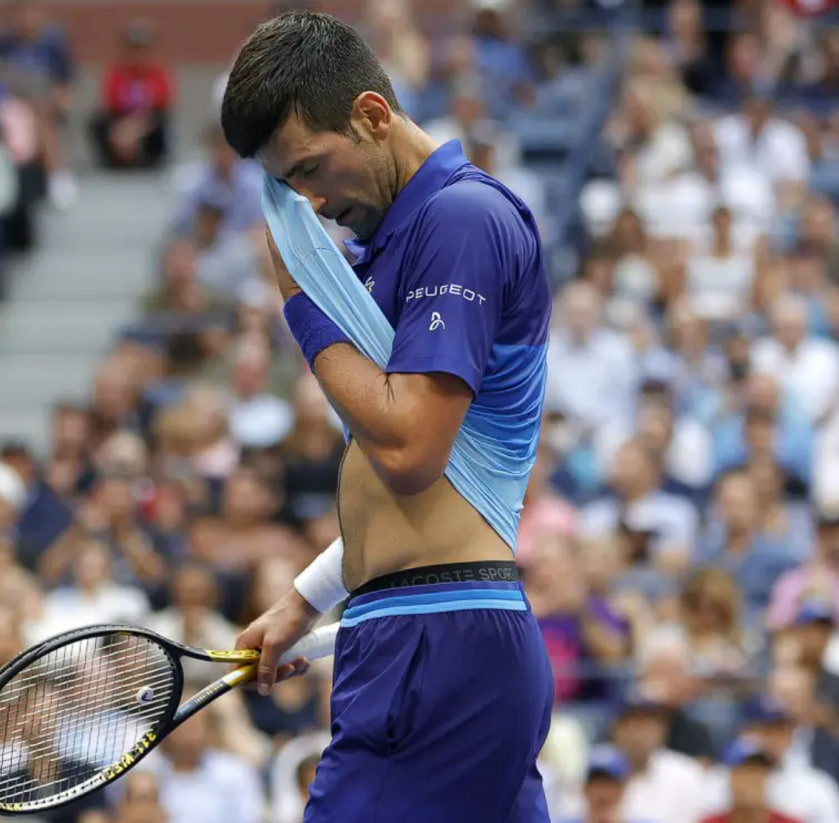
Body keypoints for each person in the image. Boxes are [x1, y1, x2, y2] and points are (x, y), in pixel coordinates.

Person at [220, 10, 553, 821]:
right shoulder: (393, 244)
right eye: (288, 183)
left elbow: (408, 451)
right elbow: (420, 499)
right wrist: (302, 600)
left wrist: (302, 298)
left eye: (311, 167)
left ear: (372, 115)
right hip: (433, 636)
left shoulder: (461, 219)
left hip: (436, 647)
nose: (309, 199)